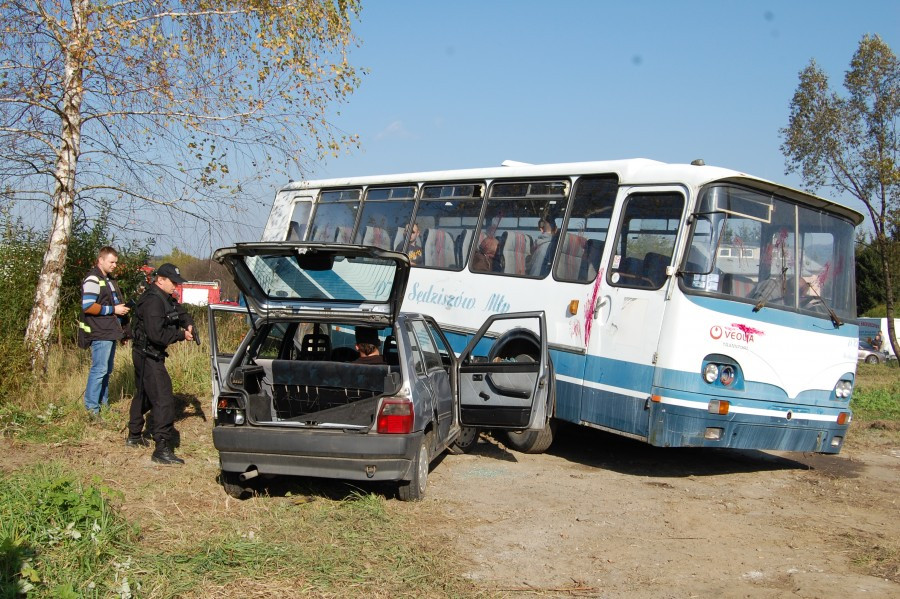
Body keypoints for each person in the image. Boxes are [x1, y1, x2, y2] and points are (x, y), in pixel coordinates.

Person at [127, 263, 195, 464]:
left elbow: (179, 311)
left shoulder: (164, 297)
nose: (176, 286)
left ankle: (134, 435)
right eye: (173, 282)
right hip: (148, 355)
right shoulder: (153, 302)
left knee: (145, 395)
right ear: (160, 280)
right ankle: (162, 448)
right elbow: (157, 335)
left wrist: (188, 323)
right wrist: (181, 335)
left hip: (146, 354)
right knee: (164, 398)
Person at [80, 246, 130, 417]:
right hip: (100, 332)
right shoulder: (93, 279)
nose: (115, 265)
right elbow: (88, 306)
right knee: (99, 370)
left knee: (106, 371)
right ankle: (92, 409)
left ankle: (104, 406)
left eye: (116, 262)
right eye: (112, 262)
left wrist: (123, 332)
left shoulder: (109, 279)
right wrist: (113, 310)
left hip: (110, 331)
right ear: (100, 260)